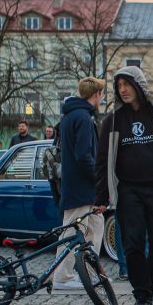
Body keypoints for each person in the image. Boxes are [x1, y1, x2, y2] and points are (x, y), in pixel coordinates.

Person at [96, 67, 153, 305]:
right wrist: (101, 195)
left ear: (139, 85)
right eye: (119, 86)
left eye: (127, 84)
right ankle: (141, 295)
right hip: (129, 191)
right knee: (133, 244)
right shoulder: (114, 120)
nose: (123, 90)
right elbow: (103, 160)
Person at [54, 78, 106, 290]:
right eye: (101, 94)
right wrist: (98, 179)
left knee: (96, 225)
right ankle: (62, 277)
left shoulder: (70, 116)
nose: (102, 97)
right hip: (81, 186)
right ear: (96, 95)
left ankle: (90, 273)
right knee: (72, 230)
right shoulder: (83, 118)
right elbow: (84, 155)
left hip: (78, 184)